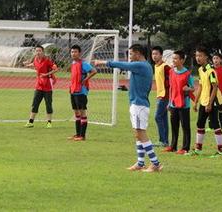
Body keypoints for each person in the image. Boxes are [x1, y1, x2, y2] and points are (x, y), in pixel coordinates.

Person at [94, 44, 162, 172]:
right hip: (137, 104)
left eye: (131, 54)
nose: (129, 57)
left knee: (141, 133)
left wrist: (101, 62)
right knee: (138, 134)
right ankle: (140, 163)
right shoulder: (144, 65)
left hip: (139, 105)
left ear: (138, 53)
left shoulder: (141, 65)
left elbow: (123, 65)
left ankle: (155, 163)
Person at [190, 47, 222, 157]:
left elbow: (215, 87)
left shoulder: (211, 71)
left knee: (215, 124)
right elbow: (200, 86)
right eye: (196, 56)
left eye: (200, 55)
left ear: (206, 57)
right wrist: (195, 102)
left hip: (211, 102)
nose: (198, 58)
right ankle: (198, 149)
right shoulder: (201, 70)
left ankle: (221, 151)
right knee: (200, 124)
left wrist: (210, 103)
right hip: (203, 101)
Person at [163, 50, 193, 154]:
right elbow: (171, 88)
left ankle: (185, 148)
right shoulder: (171, 72)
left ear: (182, 60)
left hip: (184, 104)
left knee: (185, 127)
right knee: (174, 126)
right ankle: (173, 146)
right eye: (173, 58)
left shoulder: (187, 74)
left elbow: (193, 88)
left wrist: (188, 88)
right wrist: (169, 102)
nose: (173, 60)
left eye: (176, 58)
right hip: (173, 104)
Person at [23, 45, 58, 128]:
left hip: (48, 85)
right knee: (35, 103)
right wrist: (27, 65)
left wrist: (46, 74)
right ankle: (30, 122)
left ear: (43, 52)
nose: (38, 52)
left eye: (39, 51)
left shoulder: (47, 60)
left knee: (48, 104)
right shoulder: (35, 59)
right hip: (39, 85)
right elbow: (34, 64)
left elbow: (56, 69)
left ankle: (49, 122)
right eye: (36, 51)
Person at [68, 45, 96, 141]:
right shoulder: (73, 63)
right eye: (72, 52)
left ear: (79, 53)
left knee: (82, 112)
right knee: (76, 112)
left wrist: (86, 79)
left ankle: (82, 136)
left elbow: (94, 71)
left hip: (81, 91)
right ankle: (77, 134)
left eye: (75, 52)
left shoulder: (83, 63)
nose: (73, 53)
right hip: (73, 90)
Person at [151, 46, 171, 147]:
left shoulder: (166, 67)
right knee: (163, 118)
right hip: (160, 95)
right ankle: (165, 141)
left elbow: (171, 82)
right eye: (153, 54)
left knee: (157, 117)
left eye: (156, 54)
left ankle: (162, 140)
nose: (154, 56)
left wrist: (170, 98)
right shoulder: (156, 66)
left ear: (161, 55)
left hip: (165, 96)